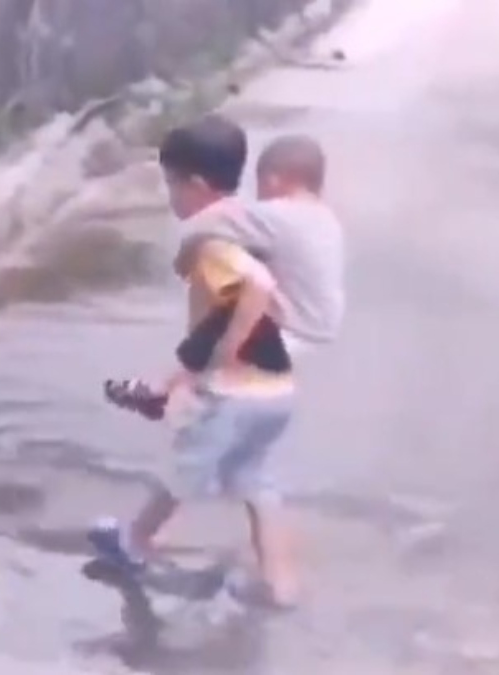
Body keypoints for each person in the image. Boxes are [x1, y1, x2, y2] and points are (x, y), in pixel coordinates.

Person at [91, 115, 308, 610]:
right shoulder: (251, 223)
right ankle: (281, 584)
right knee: (257, 483)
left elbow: (256, 290)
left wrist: (208, 362)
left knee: (180, 469)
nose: (170, 197)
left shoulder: (213, 240)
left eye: (171, 184)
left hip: (234, 392)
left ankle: (134, 543)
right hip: (276, 391)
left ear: (195, 185)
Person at [106, 132, 345, 419]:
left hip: (291, 328)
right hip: (320, 325)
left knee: (228, 310)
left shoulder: (278, 214)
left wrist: (186, 254)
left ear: (273, 180)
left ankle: (165, 388)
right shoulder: (325, 219)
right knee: (236, 292)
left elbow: (210, 220)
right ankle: (170, 387)